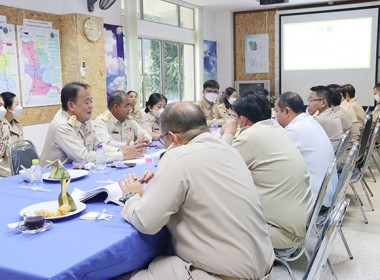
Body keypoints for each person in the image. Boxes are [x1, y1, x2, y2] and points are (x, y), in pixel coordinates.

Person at [117, 102, 274, 279]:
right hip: (261, 267)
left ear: (173, 137)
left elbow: (147, 223)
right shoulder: (229, 150)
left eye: (163, 140)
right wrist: (162, 181)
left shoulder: (177, 158)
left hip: (220, 275)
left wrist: (131, 196)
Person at [221, 91, 313, 250]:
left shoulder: (250, 137)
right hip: (301, 221)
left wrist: (229, 133)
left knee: (214, 215)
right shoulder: (276, 129)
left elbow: (219, 167)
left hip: (282, 233)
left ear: (242, 120)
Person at [40, 82, 147, 166]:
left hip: (77, 173)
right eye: (87, 102)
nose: (91, 106)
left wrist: (120, 150)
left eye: (91, 101)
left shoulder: (85, 119)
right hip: (53, 180)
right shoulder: (61, 126)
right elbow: (83, 157)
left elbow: (98, 146)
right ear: (71, 105)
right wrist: (121, 155)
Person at [275, 92, 338, 208]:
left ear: (287, 111)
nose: (275, 116)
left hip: (316, 200)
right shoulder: (309, 121)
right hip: (327, 193)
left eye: (277, 111)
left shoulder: (293, 131)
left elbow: (275, 163)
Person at [307, 85, 344, 151]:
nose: (308, 104)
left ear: (323, 103)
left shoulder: (319, 120)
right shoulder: (331, 114)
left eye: (311, 100)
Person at [0, 93, 23, 177]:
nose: (19, 107)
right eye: (17, 104)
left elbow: (21, 151)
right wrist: (12, 173)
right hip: (5, 175)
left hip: (18, 171)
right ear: (9, 108)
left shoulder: (18, 125)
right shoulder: (2, 127)